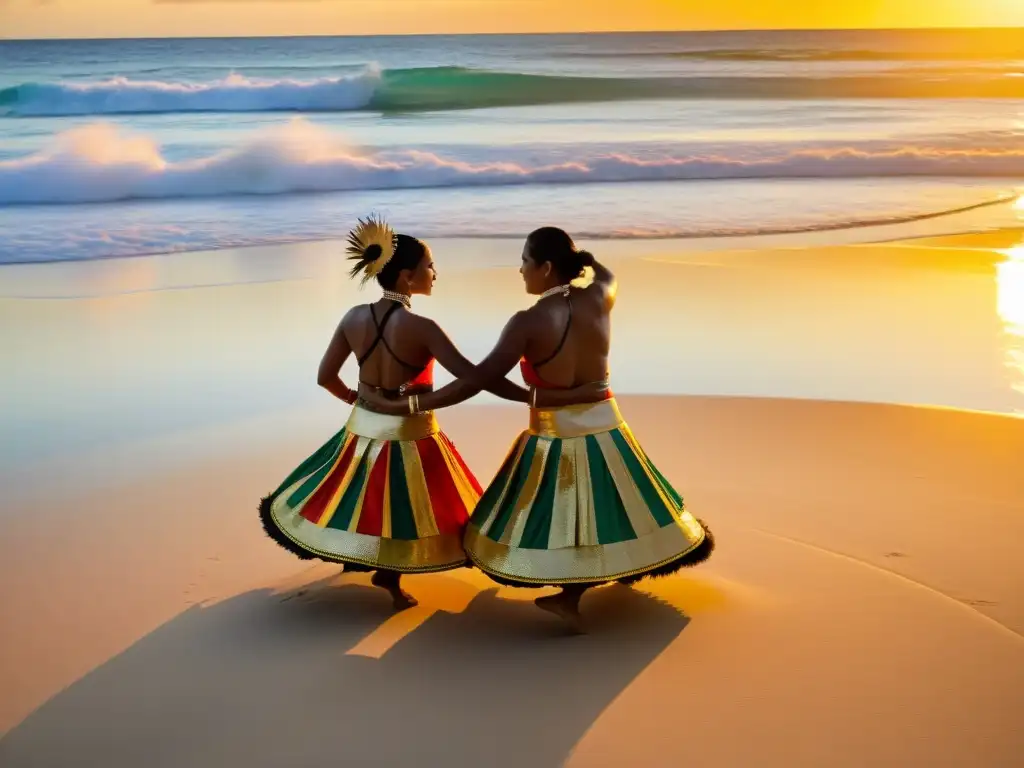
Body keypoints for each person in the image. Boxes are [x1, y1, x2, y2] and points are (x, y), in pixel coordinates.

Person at [363, 227, 713, 630]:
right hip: (606, 422)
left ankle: (570, 595)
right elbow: (607, 275)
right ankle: (604, 578)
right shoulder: (601, 297)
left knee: (567, 516)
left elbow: (482, 377)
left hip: (556, 434)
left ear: (546, 268)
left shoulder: (527, 322)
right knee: (614, 502)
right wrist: (586, 259)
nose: (521, 270)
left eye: (526, 262)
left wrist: (412, 403)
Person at [259, 216, 597, 610]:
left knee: (362, 497)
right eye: (428, 266)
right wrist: (534, 398)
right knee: (411, 508)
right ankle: (389, 574)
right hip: (411, 435)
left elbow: (324, 377)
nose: (434, 273)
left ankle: (367, 561)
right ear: (406, 277)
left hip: (363, 427)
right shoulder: (422, 328)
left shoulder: (353, 317)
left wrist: (359, 400)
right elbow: (473, 378)